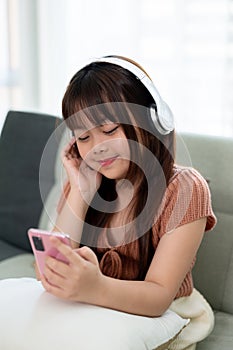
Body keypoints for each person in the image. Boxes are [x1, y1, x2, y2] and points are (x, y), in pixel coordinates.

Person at [38, 55, 216, 349]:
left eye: (109, 130)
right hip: (96, 306)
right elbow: (53, 269)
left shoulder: (184, 189)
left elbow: (158, 297)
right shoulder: (88, 179)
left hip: (159, 315)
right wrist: (81, 194)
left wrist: (94, 287)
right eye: (83, 137)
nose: (98, 148)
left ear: (152, 119)